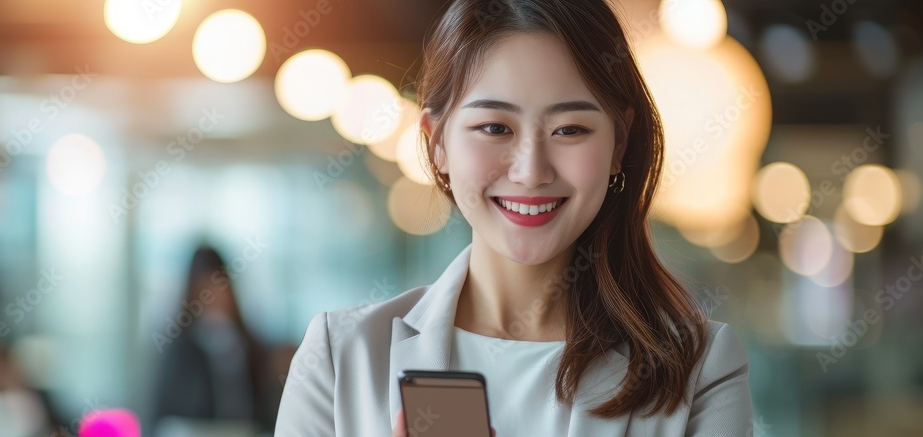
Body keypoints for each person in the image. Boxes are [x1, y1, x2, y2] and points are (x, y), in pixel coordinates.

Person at [275, 0, 753, 435]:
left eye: (570, 129)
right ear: (437, 142)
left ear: (618, 145)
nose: (531, 171)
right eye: (494, 128)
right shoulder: (341, 358)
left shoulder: (700, 368)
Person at [150, 245, 278, 435]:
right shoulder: (178, 351)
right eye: (204, 289)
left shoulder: (251, 347)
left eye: (219, 287)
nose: (213, 297)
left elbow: (265, 412)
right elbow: (164, 414)